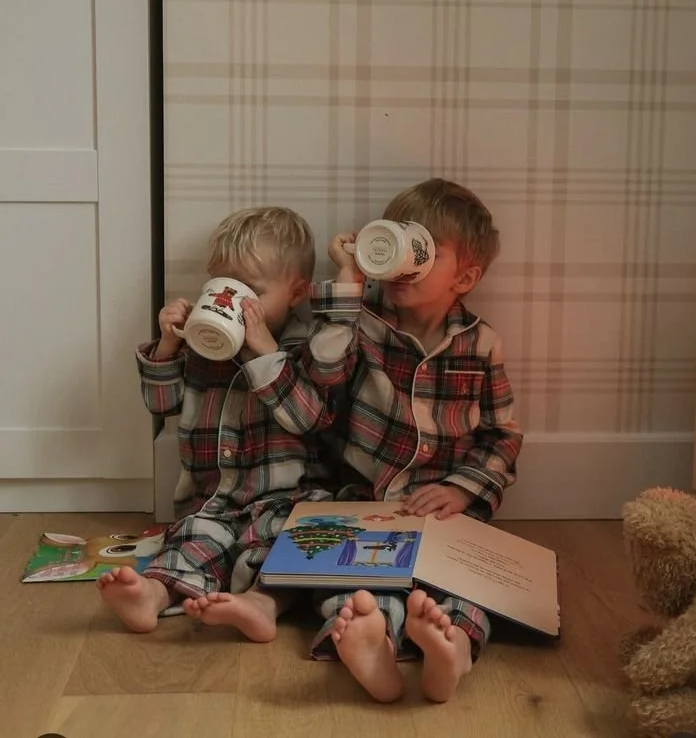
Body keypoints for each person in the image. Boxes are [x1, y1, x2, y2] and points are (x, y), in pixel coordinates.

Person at [302, 178, 523, 703]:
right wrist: (349, 279)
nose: (404, 260)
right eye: (399, 240)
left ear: (464, 276)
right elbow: (322, 373)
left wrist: (464, 489)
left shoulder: (481, 345)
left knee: (466, 585)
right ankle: (374, 645)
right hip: (365, 501)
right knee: (349, 581)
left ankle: (453, 649)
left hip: (442, 506)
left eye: (424, 249)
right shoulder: (364, 321)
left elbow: (503, 434)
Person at [97, 206, 334, 641]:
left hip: (288, 501)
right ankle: (151, 594)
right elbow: (161, 404)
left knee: (291, 546)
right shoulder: (205, 345)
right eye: (223, 288)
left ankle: (262, 604)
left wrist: (265, 353)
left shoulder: (307, 345)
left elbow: (307, 418)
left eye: (253, 293)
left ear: (296, 292)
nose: (233, 304)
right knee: (192, 539)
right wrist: (169, 346)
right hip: (214, 501)